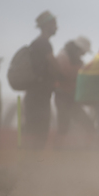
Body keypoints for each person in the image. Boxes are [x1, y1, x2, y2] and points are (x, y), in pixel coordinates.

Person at [25, 11, 61, 149]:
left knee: (35, 132)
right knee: (39, 134)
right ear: (48, 25)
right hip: (38, 96)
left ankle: (30, 166)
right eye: (55, 24)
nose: (57, 28)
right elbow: (55, 66)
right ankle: (31, 166)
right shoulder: (43, 43)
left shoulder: (37, 43)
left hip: (36, 95)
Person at [54, 37, 95, 148]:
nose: (83, 55)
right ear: (78, 49)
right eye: (83, 52)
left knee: (87, 125)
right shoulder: (63, 57)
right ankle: (57, 153)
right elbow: (65, 77)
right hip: (63, 96)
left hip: (71, 97)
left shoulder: (75, 60)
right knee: (63, 126)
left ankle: (86, 151)